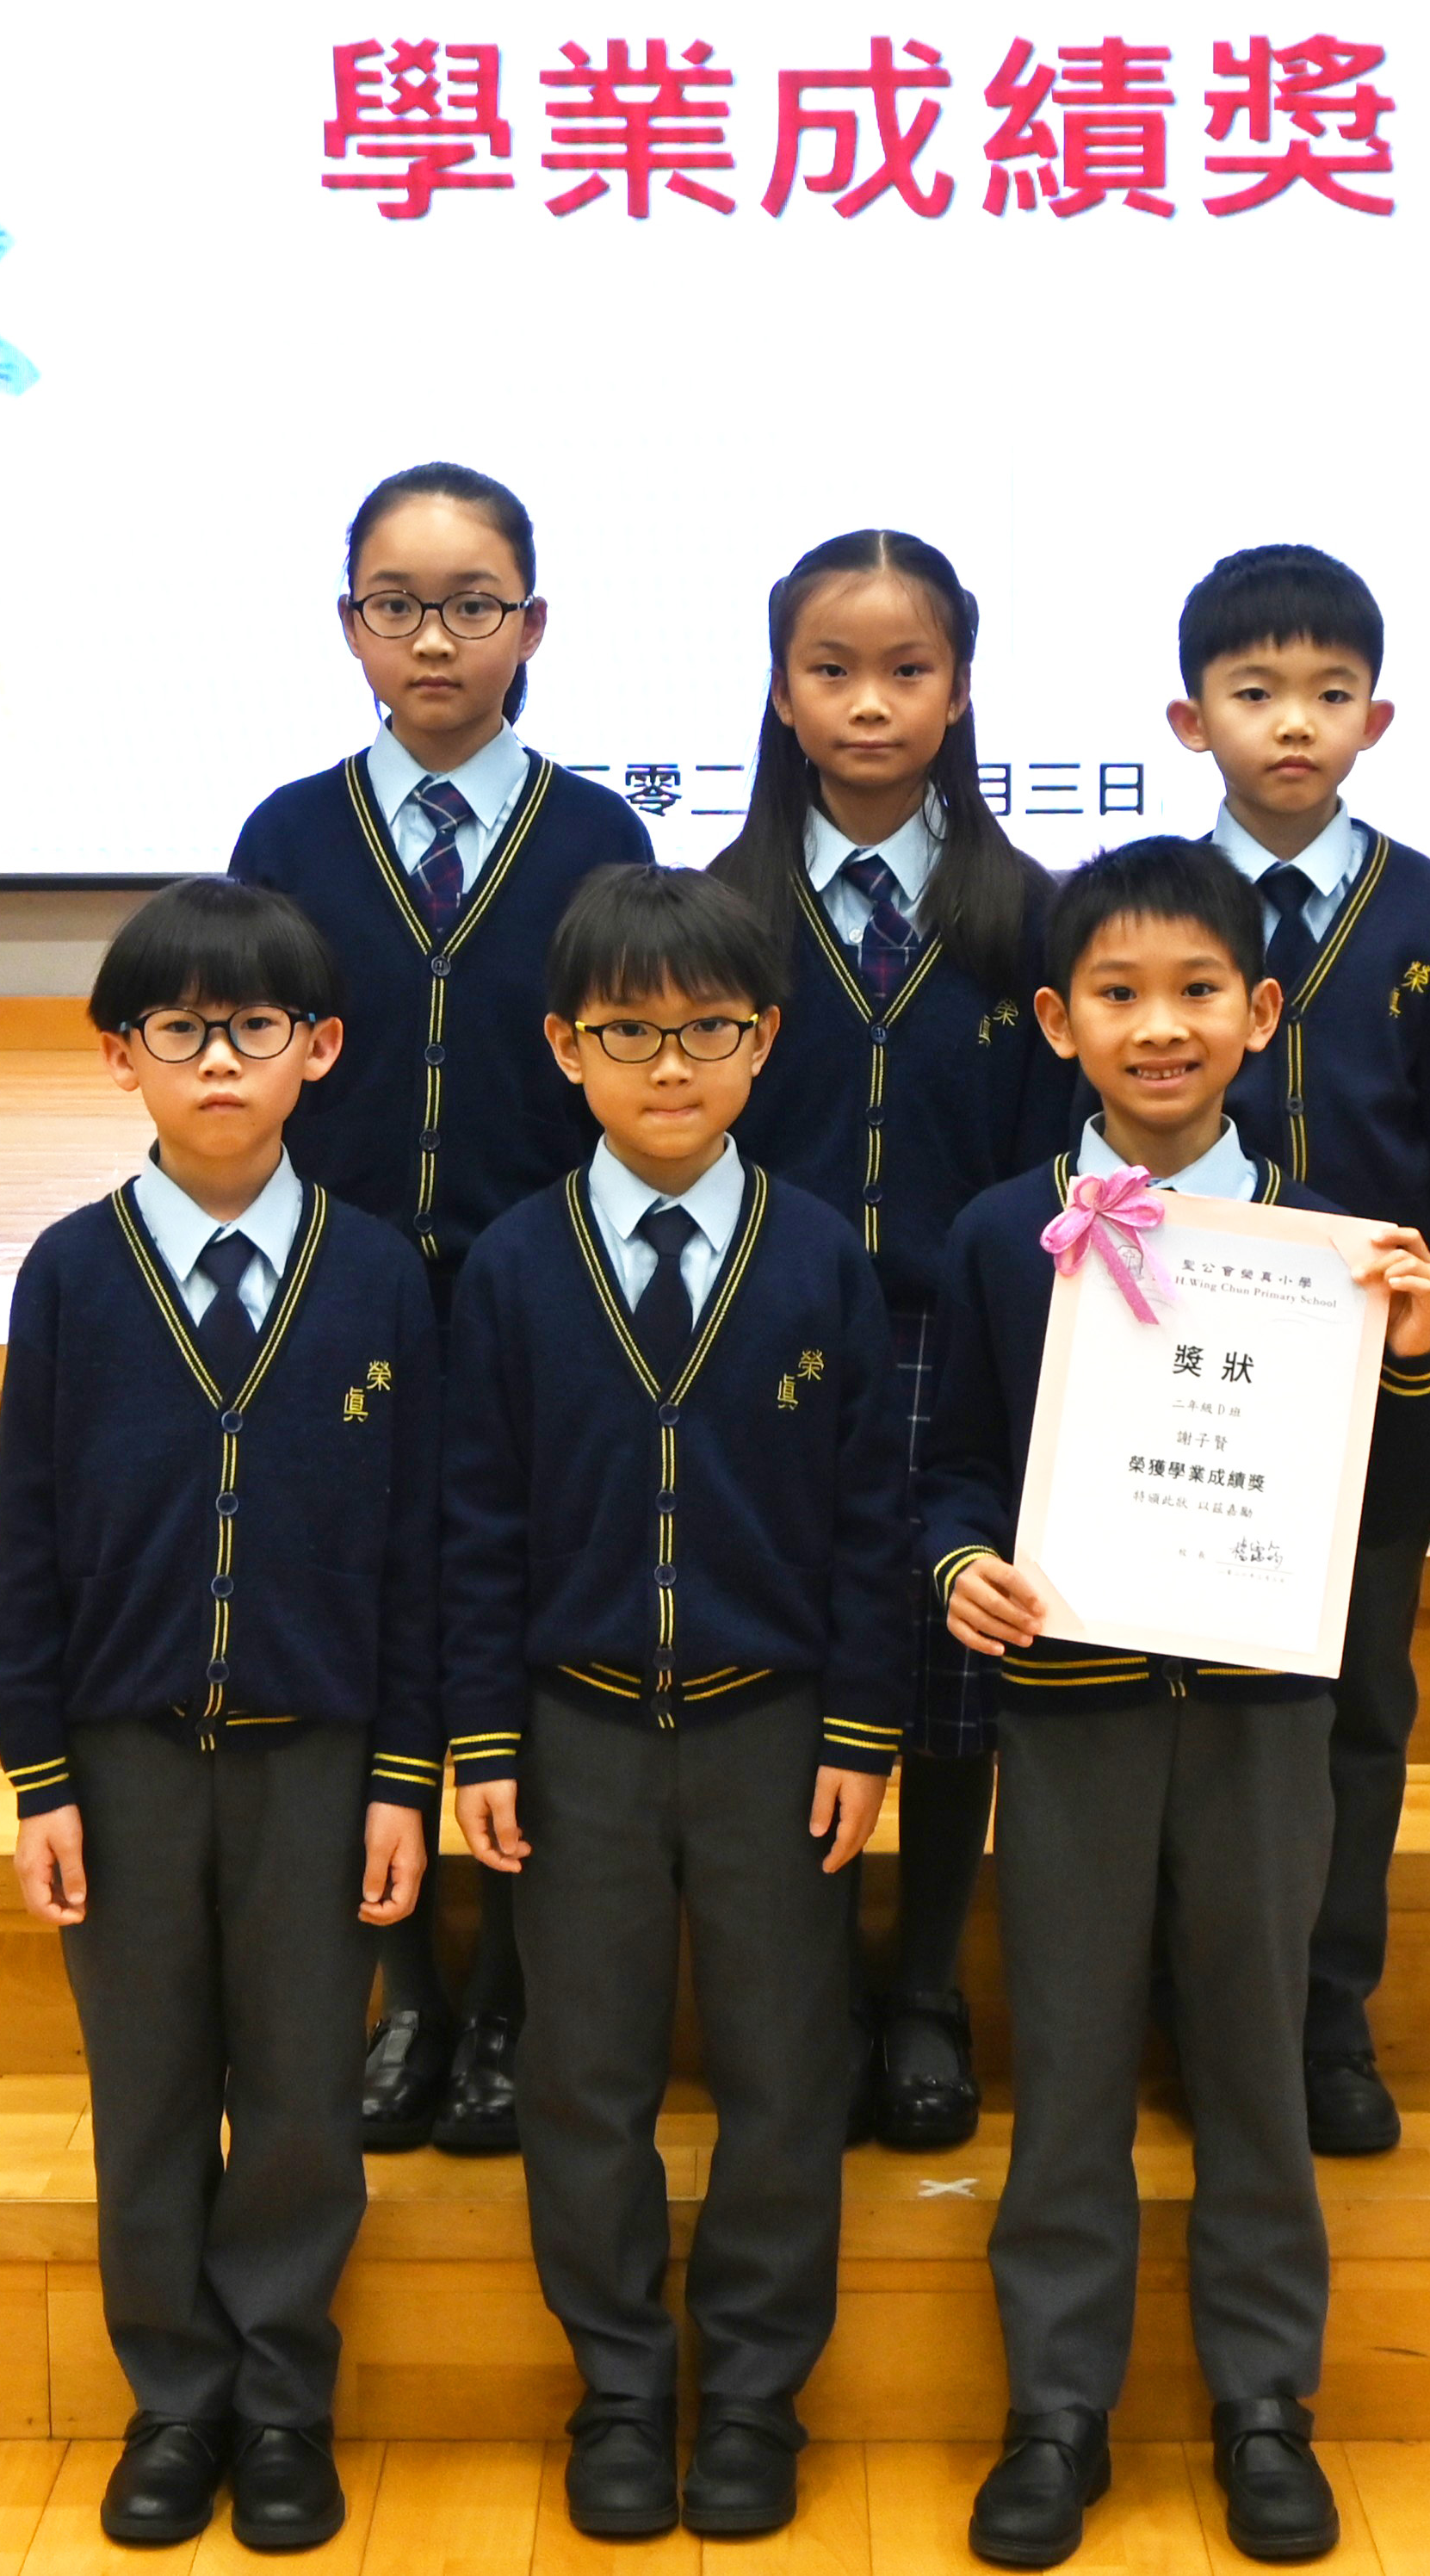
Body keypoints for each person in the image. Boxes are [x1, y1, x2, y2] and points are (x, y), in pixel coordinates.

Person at [922, 839, 1430, 2570]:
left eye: (1195, 991)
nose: (1159, 1027)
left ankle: (1262, 2404)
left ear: (1261, 1010)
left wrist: (1416, 1357)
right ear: (1055, 1021)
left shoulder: (1330, 1248)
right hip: (1070, 1715)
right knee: (1069, 2064)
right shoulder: (1000, 1234)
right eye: (1118, 994)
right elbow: (946, 1466)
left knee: (1253, 2061)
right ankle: (1053, 2409)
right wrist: (956, 1565)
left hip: (1256, 1718)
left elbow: (1389, 1510)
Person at [439, 865, 913, 2542]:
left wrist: (861, 1727)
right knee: (583, 2076)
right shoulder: (511, 1267)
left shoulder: (820, 1257)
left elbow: (868, 1519)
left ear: (764, 1041)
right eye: (628, 1034)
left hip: (776, 1734)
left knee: (785, 2070)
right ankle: (623, 2390)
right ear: (564, 1047)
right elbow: (473, 1523)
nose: (669, 1067)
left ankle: (758, 2397)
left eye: (705, 1031)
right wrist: (481, 1737)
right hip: (570, 1735)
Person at [0, 878, 441, 2556]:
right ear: (123, 1057)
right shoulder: (71, 1275)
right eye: (180, 1030)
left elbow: (417, 1551)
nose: (220, 1060)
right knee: (151, 2089)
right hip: (122, 1762)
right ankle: (176, 2397)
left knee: (307, 2093)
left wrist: (402, 1774)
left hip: (321, 1762)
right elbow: (25, 1536)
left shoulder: (379, 1276)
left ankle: (285, 2400)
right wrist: (39, 1773)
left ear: (320, 1048)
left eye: (255, 1027)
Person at [229, 461, 652, 2159]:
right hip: (342, 1305)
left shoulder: (598, 840)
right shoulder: (287, 838)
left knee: (527, 1638)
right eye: (396, 605)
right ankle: (401, 1990)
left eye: (471, 605)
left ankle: (511, 2002)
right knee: (374, 1637)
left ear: (529, 625)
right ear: (348, 625)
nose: (432, 639)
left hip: (540, 1302)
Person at [706, 528, 1078, 2152]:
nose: (869, 703)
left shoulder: (1027, 917)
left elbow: (1059, 1164)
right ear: (782, 693)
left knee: (947, 1678)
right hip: (757, 1348)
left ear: (960, 688)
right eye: (831, 670)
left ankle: (924, 1985)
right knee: (794, 1657)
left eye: (906, 669)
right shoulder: (718, 914)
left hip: (957, 1345)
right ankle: (807, 1982)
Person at [1167, 542, 1430, 2156]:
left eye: (1327, 693)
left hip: (1378, 1383)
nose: (1292, 723)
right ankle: (1196, 2007)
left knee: (1357, 1708)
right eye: (1254, 693)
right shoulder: (1149, 910)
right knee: (1193, 1712)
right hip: (1187, 1383)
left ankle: (1325, 2017)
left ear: (1377, 720)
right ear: (1190, 721)